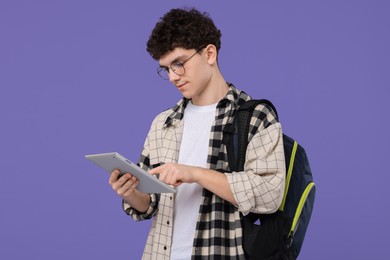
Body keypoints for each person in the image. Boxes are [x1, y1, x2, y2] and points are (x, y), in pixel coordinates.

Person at [109, 7, 285, 260]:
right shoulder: (164, 124)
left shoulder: (254, 116)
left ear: (209, 53)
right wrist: (130, 192)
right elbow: (149, 206)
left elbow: (270, 194)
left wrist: (194, 173)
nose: (172, 77)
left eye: (179, 64)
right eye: (166, 68)